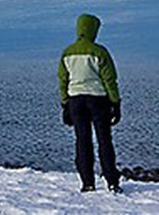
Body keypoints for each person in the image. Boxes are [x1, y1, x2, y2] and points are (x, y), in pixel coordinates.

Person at [57, 12, 121, 193]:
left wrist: (65, 104)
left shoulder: (67, 53)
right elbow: (110, 80)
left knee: (82, 141)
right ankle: (111, 181)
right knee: (104, 140)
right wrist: (116, 103)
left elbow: (63, 80)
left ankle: (87, 182)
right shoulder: (100, 52)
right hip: (98, 100)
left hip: (75, 101)